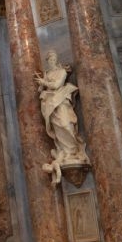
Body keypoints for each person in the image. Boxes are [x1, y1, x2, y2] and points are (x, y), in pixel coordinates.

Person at [35, 51, 89, 182]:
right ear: (47, 61)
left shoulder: (62, 72)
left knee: (65, 124)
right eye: (49, 59)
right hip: (50, 104)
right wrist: (41, 84)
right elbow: (40, 90)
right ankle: (64, 151)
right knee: (57, 129)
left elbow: (57, 85)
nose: (52, 61)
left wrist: (44, 82)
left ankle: (74, 150)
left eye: (53, 58)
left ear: (56, 59)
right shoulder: (47, 74)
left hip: (60, 101)